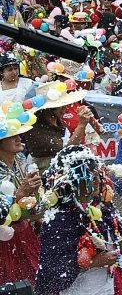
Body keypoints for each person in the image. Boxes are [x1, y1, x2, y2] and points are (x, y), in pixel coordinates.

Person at [36, 145, 122, 294]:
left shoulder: (104, 207)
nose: (97, 180)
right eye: (89, 176)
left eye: (97, 173)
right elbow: (53, 274)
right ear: (72, 182)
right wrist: (94, 262)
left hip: (108, 285)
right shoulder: (59, 220)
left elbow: (115, 244)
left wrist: (121, 246)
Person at [0, 110, 40, 287]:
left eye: (18, 133)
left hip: (25, 232)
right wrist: (20, 194)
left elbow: (34, 203)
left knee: (35, 281)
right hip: (3, 239)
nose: (18, 138)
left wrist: (36, 191)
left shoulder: (21, 159)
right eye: (11, 135)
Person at [25, 81, 93, 172]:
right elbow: (65, 153)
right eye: (61, 106)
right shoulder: (36, 129)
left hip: (61, 173)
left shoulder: (58, 122)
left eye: (66, 105)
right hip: (46, 176)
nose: (66, 108)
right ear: (49, 109)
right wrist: (82, 125)